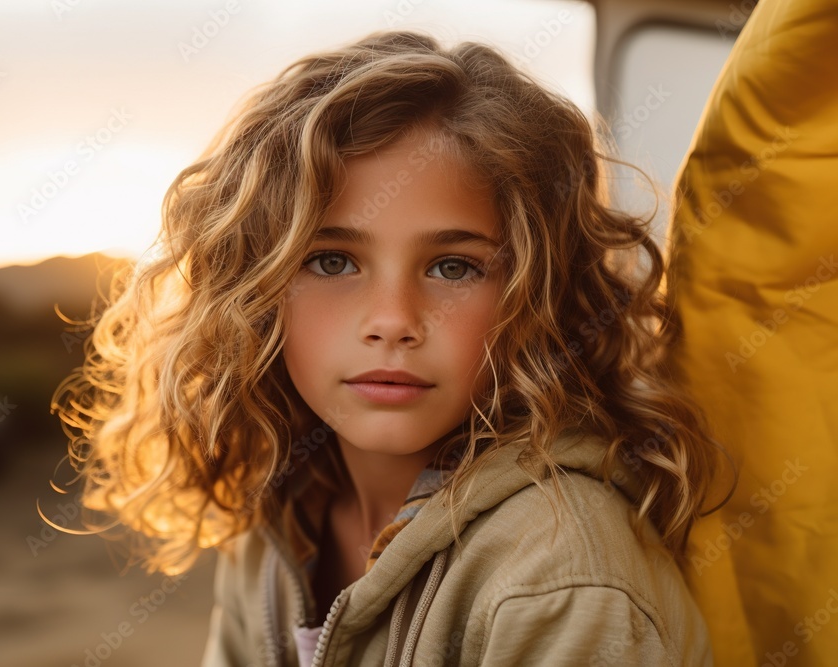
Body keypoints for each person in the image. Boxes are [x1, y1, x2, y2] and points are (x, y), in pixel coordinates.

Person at [51, 30, 729, 666]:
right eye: (332, 261)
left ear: (537, 298)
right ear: (255, 291)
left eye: (454, 267)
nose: (393, 321)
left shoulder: (561, 576)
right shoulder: (279, 516)